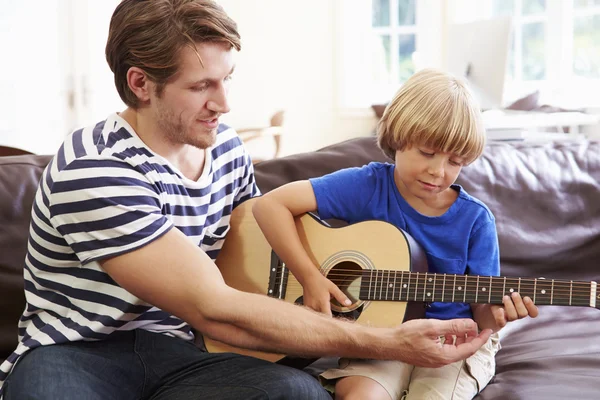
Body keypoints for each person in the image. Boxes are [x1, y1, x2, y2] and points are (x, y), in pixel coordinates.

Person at [0, 2, 494, 399]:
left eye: (227, 77)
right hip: (76, 352)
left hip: (186, 353)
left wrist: (316, 278)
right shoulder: (96, 169)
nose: (225, 102)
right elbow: (214, 308)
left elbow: (254, 248)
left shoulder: (225, 148)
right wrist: (386, 341)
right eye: (202, 86)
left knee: (302, 393)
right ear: (140, 84)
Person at [252, 68, 539, 400]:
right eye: (427, 153)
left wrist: (497, 317)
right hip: (380, 339)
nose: (438, 171)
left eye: (455, 161)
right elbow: (269, 206)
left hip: (452, 342)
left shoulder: (476, 220)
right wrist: (309, 276)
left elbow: (483, 314)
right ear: (398, 139)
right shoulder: (367, 185)